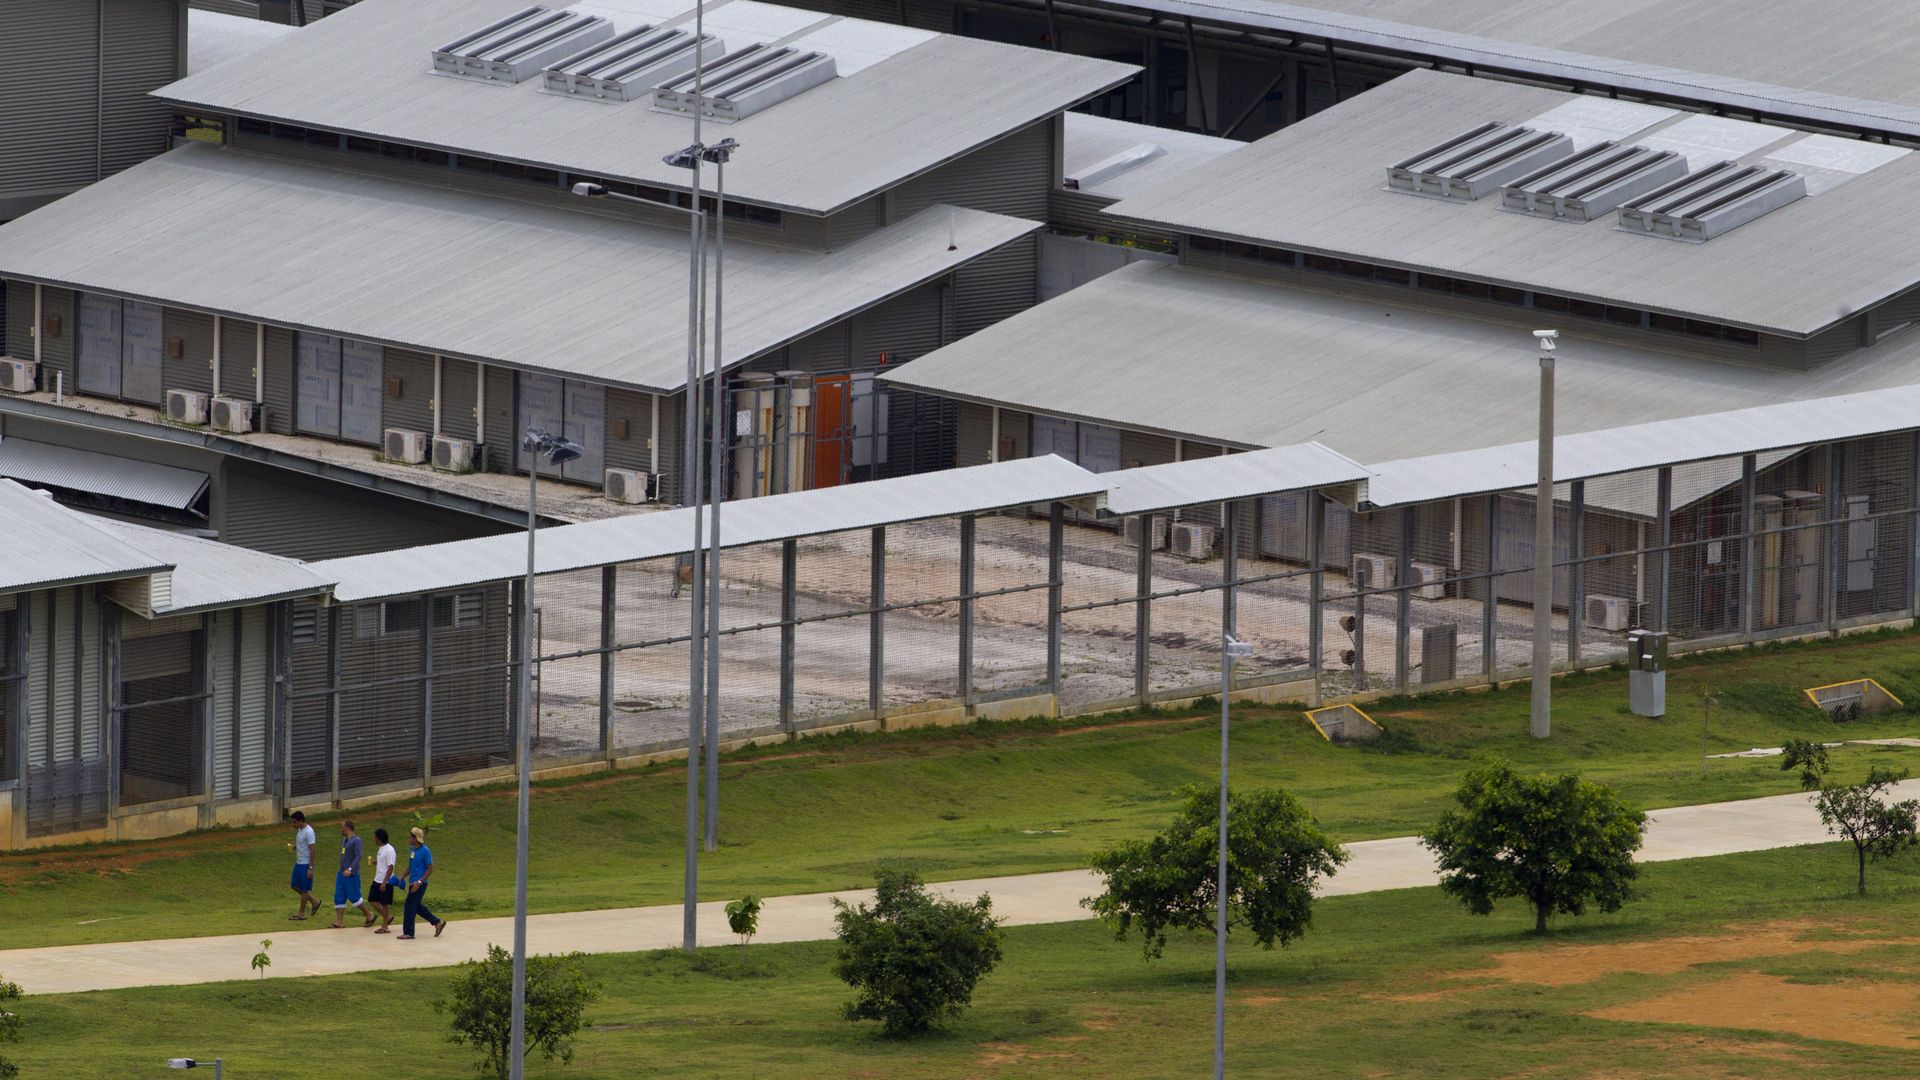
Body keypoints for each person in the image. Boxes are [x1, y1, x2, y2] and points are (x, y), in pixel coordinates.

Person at [399, 826, 447, 940]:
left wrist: (419, 882)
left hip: (421, 883)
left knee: (409, 906)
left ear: (416, 838)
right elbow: (410, 866)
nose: (409, 838)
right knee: (416, 906)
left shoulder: (425, 851)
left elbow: (430, 869)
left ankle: (409, 933)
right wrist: (402, 876)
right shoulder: (412, 850)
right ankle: (437, 922)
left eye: (411, 836)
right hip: (412, 882)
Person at [328, 820, 364, 929]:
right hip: (341, 873)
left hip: (351, 874)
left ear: (347, 828)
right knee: (339, 896)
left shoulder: (357, 841)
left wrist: (350, 869)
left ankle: (368, 914)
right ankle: (339, 921)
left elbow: (359, 856)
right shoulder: (345, 840)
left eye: (342, 827)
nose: (341, 830)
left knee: (354, 897)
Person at [366, 827, 399, 932]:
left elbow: (390, 867)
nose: (374, 839)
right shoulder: (381, 848)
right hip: (377, 879)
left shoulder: (389, 849)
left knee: (384, 903)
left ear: (379, 839)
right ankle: (387, 918)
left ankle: (385, 926)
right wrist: (376, 862)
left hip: (386, 881)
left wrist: (384, 883)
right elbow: (384, 863)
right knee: (372, 900)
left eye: (375, 837)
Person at [288, 810, 318, 921]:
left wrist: (310, 868)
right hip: (299, 862)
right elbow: (303, 843)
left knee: (304, 889)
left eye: (294, 822)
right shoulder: (300, 830)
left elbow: (312, 850)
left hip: (306, 864)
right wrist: (295, 846)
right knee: (294, 885)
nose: (293, 825)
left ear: (301, 821)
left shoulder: (309, 832)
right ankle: (314, 901)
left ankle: (301, 913)